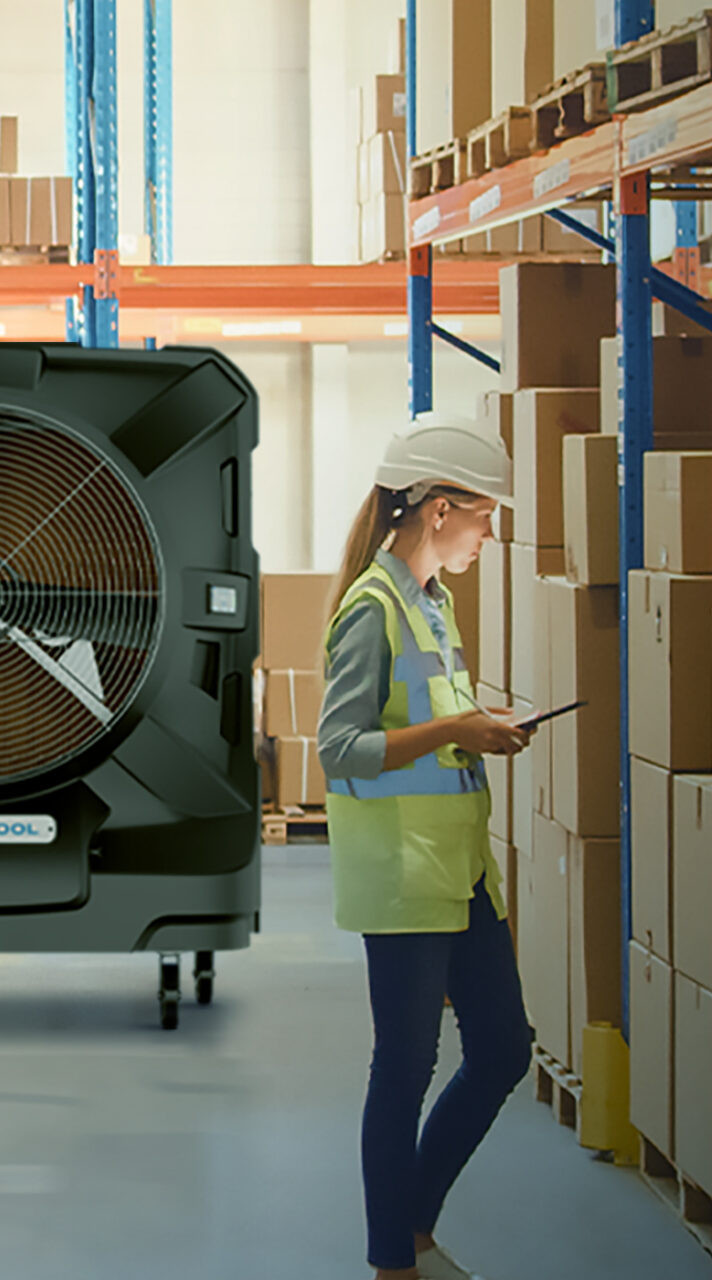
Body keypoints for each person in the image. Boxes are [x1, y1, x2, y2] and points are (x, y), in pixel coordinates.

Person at [317, 416, 530, 1280]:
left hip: (462, 873)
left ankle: (411, 1226)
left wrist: (480, 729)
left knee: (505, 1050)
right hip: (404, 877)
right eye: (484, 515)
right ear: (440, 509)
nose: (491, 532)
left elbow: (436, 735)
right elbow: (339, 749)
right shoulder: (372, 610)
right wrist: (458, 727)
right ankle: (393, 1262)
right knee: (403, 1071)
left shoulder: (432, 604)